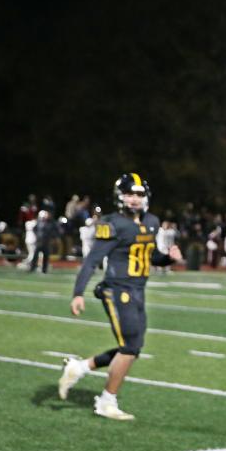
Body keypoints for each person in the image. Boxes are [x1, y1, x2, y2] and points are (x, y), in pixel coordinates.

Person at [58, 173, 182, 420]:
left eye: (139, 194)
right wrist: (78, 293)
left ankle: (80, 367)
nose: (134, 199)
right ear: (120, 197)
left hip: (138, 290)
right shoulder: (112, 223)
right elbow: (93, 260)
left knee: (134, 348)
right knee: (130, 347)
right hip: (117, 290)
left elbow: (151, 256)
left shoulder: (152, 221)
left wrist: (168, 257)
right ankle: (106, 401)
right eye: (129, 194)